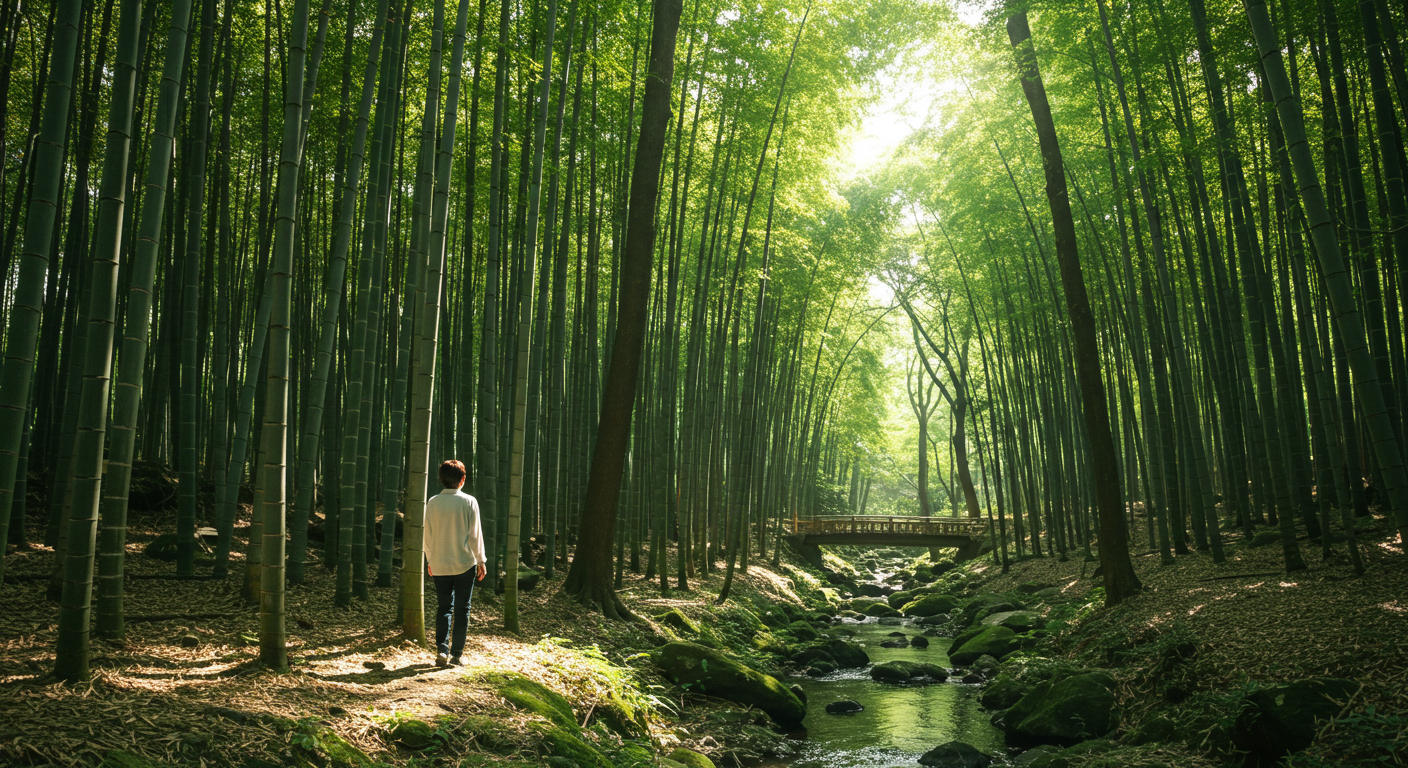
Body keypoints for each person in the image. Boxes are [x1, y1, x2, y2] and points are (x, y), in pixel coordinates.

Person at [423, 459, 486, 667]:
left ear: (441, 479)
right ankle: (456, 655)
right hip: (464, 564)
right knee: (462, 609)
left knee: (443, 607)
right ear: (462, 479)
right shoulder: (469, 501)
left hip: (440, 563)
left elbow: (428, 535)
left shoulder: (432, 502)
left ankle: (442, 648)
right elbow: (475, 535)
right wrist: (481, 560)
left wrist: (430, 560)